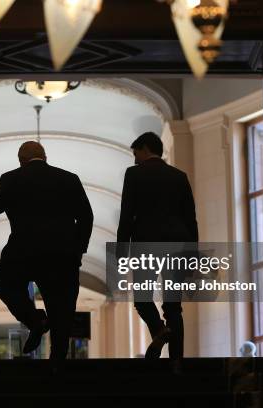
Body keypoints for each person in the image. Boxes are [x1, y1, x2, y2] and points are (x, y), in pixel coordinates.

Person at [0, 141, 94, 360]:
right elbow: (86, 217)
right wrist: (78, 251)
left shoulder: (11, 179)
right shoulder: (69, 178)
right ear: (45, 157)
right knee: (62, 307)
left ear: (21, 161)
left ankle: (36, 320)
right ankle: (57, 363)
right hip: (62, 255)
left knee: (6, 284)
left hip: (23, 253)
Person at [117, 132, 198, 362]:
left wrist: (121, 250)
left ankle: (160, 331)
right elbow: (190, 218)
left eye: (136, 153)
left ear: (144, 148)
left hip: (147, 244)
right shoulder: (179, 177)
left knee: (142, 299)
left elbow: (127, 214)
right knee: (174, 307)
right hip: (178, 244)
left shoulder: (134, 174)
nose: (134, 159)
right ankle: (177, 362)